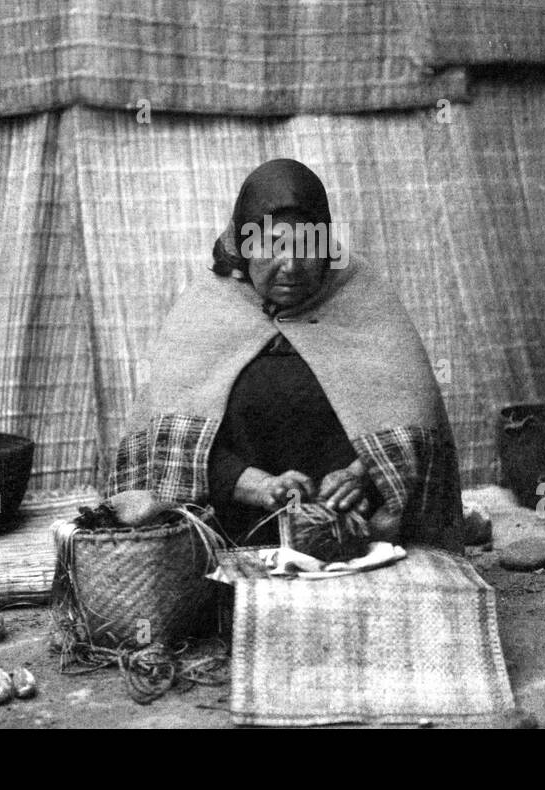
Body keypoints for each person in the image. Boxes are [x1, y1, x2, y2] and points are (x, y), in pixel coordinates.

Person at [108, 158, 463, 552]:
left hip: (352, 528)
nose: (291, 266)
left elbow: (414, 413)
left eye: (308, 247)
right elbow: (173, 440)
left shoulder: (362, 295)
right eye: (273, 246)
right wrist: (257, 486)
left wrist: (362, 474)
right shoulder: (206, 307)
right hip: (231, 533)